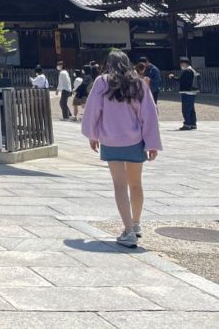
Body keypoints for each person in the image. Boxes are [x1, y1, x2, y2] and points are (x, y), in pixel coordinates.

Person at [81, 50, 161, 247]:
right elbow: (149, 114)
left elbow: (92, 110)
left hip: (110, 139)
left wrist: (92, 134)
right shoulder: (139, 83)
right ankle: (136, 223)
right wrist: (152, 143)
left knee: (119, 185)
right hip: (135, 140)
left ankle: (127, 231)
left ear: (108, 63)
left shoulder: (102, 81)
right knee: (136, 184)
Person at [170, 57, 199, 131]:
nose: (181, 65)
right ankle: (193, 124)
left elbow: (180, 79)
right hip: (193, 91)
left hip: (187, 92)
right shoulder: (193, 70)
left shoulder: (186, 71)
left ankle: (187, 124)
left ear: (184, 63)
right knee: (191, 109)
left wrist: (172, 77)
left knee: (186, 109)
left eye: (181, 64)